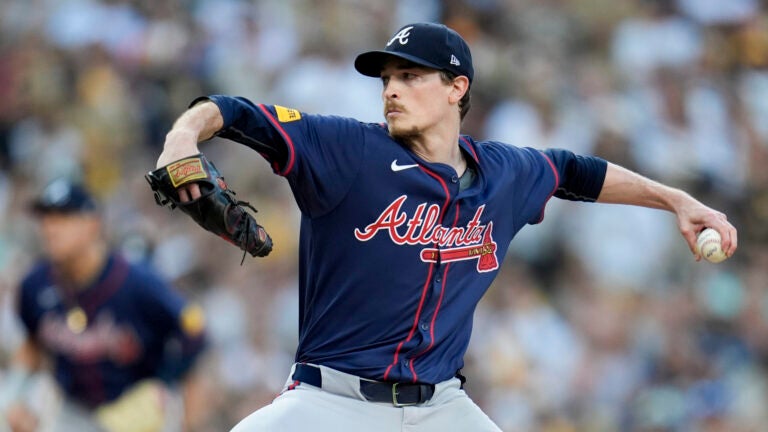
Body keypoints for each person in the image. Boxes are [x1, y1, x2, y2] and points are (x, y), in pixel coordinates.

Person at [153, 22, 737, 432]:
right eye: (387, 78)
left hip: (441, 410)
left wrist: (676, 200)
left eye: (410, 76)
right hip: (330, 403)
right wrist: (182, 136)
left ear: (457, 89)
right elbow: (238, 112)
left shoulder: (504, 173)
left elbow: (575, 172)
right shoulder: (347, 150)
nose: (391, 89)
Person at [0, 178, 208, 432]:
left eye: (63, 218)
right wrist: (17, 395)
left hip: (138, 409)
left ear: (93, 223)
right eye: (45, 219)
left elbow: (194, 331)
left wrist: (169, 388)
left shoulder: (136, 282)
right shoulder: (34, 284)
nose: (49, 228)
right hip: (75, 412)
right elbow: (31, 344)